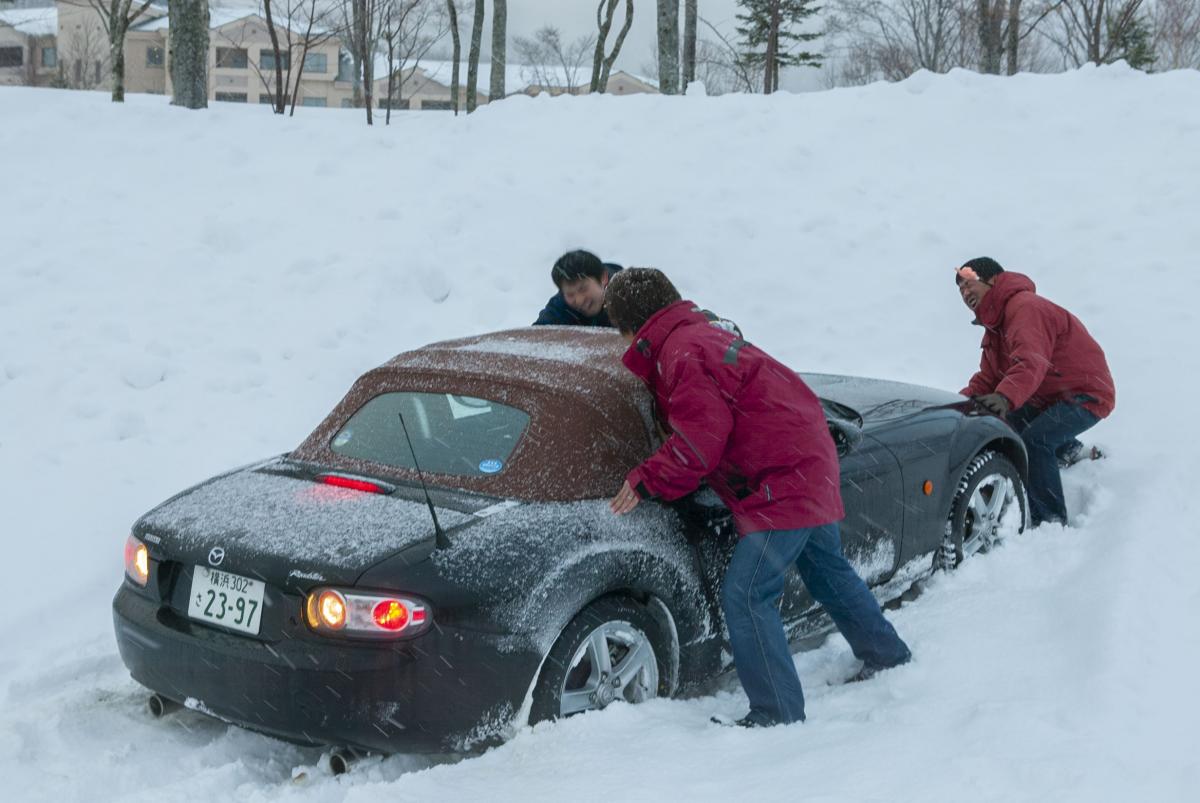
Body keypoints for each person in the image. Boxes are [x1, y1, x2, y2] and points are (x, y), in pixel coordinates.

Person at [605, 268, 911, 728]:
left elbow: (698, 444)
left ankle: (776, 713)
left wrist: (645, 480)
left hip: (783, 478)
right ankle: (886, 654)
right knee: (826, 570)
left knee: (747, 596)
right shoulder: (698, 335)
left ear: (632, 328)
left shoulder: (681, 354)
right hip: (805, 459)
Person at [955, 257, 1115, 527]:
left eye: (969, 284)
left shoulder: (1025, 309)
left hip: (1086, 393)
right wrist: (956, 404)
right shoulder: (996, 328)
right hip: (1050, 396)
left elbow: (1031, 361)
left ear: (992, 280)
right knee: (1004, 425)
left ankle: (1050, 521)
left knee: (1035, 441)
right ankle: (1068, 451)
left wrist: (1005, 397)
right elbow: (988, 377)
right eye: (960, 291)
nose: (965, 293)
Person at [533, 249, 623, 327]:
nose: (579, 300)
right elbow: (537, 337)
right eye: (570, 294)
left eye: (583, 289)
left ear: (603, 278)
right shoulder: (561, 306)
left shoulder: (629, 298)